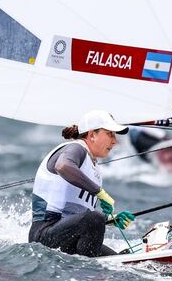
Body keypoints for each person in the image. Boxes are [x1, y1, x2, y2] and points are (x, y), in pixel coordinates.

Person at [29, 109, 136, 257]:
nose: (114, 140)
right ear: (92, 135)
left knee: (120, 259)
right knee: (94, 218)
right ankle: (88, 272)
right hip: (43, 235)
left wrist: (111, 219)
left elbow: (78, 215)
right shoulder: (76, 148)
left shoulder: (94, 167)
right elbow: (63, 166)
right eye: (110, 133)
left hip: (66, 236)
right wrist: (99, 192)